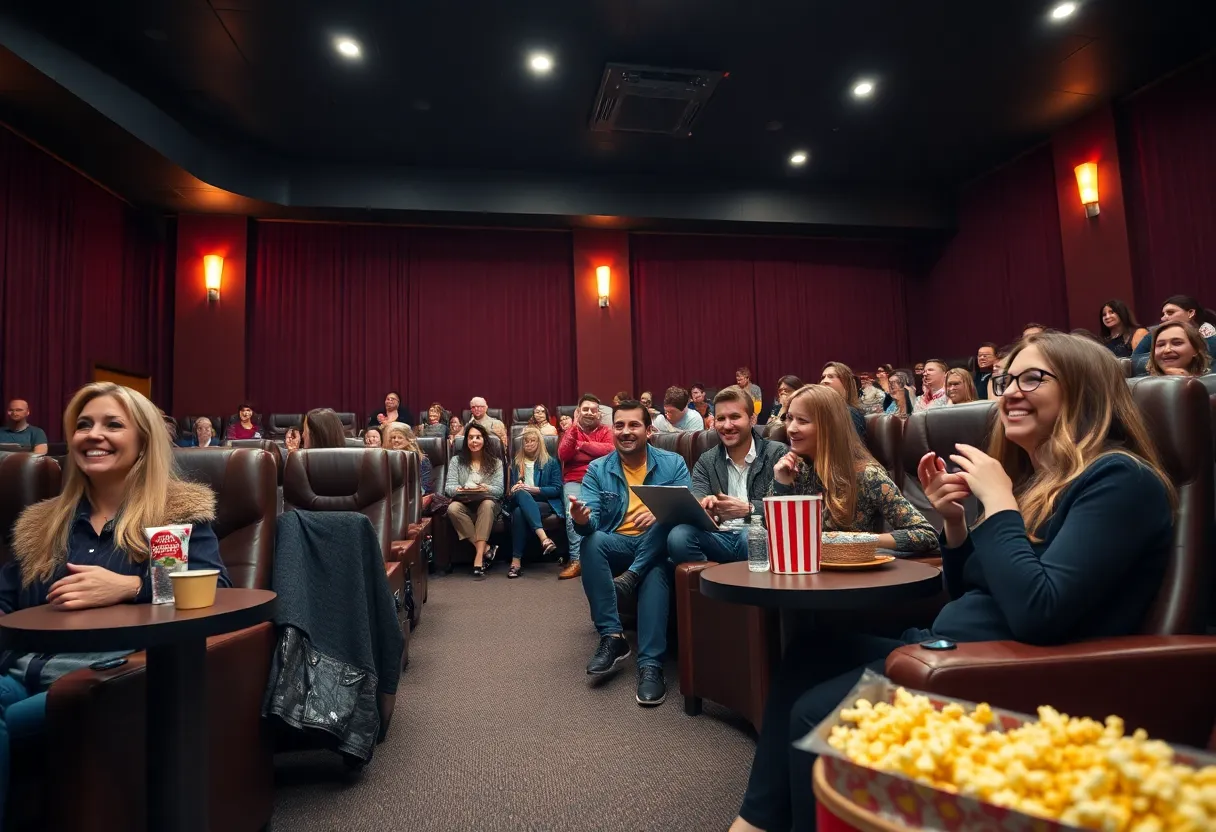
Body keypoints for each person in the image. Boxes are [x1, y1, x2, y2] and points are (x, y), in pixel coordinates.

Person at [731, 332, 1174, 831]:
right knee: (809, 652)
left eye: (1033, 378)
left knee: (816, 712)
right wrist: (958, 525)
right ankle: (754, 824)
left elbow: (1039, 611)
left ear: (1085, 390)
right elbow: (978, 593)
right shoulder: (1034, 484)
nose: (1009, 392)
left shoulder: (1120, 480)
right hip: (953, 648)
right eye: (1007, 380)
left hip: (1013, 676)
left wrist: (1000, 504)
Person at [0, 383, 232, 821]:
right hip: (18, 671)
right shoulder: (42, 523)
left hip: (108, 678)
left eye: (113, 424)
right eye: (83, 424)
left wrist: (129, 587)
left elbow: (213, 590)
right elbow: (7, 596)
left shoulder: (171, 514)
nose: (94, 434)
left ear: (143, 441)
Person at [569, 400, 690, 707]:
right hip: (620, 544)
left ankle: (651, 665)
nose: (626, 432)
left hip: (659, 547)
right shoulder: (598, 469)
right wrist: (582, 520)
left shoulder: (673, 463)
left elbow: (689, 511)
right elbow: (592, 521)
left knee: (656, 571)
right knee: (592, 542)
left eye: (634, 425)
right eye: (619, 425)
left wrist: (662, 513)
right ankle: (612, 637)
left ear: (649, 431)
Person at [668, 386, 789, 565]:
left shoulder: (776, 454)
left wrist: (750, 509)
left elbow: (788, 506)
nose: (727, 425)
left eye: (734, 417)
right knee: (678, 536)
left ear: (752, 419)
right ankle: (712, 580)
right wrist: (704, 506)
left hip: (759, 534)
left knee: (750, 536)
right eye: (721, 419)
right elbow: (698, 498)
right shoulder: (706, 460)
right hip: (719, 537)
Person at [556, 395, 614, 579]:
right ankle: (577, 560)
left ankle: (602, 557)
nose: (589, 412)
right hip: (576, 480)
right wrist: (574, 427)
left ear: (599, 413)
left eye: (593, 409)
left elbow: (610, 451)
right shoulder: (571, 431)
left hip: (601, 479)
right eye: (585, 409)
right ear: (578, 412)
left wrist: (582, 446)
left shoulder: (606, 430)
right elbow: (564, 454)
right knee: (572, 512)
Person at [444, 422, 504, 578]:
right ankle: (486, 549)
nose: (474, 441)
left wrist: (485, 488)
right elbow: (449, 487)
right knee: (452, 508)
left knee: (487, 503)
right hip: (465, 502)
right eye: (471, 438)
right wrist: (461, 489)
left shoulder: (496, 463)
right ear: (466, 441)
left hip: (488, 504)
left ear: (484, 440)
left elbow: (499, 491)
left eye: (478, 437)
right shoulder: (456, 461)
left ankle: (478, 558)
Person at [506, 426, 563, 578]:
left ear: (540, 443)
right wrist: (515, 488)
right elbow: (511, 491)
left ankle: (515, 562)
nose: (529, 444)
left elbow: (556, 489)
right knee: (520, 497)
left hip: (543, 502)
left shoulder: (550, 462)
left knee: (519, 512)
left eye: (533, 441)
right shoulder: (516, 462)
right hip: (520, 499)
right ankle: (544, 539)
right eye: (526, 441)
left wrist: (533, 489)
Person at [1132, 294, 1216, 374]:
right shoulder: (1154, 334)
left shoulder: (1211, 337)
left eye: (1170, 313)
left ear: (1190, 313)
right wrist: (1163, 366)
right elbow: (1135, 360)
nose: (1163, 318)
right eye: (1161, 345)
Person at [1146, 321, 1212, 377]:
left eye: (1177, 343)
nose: (1167, 350)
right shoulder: (1140, 386)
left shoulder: (1211, 384)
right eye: (1161, 345)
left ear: (1196, 349)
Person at [383, 421, 433, 496]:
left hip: (414, 497)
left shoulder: (422, 461)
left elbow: (425, 489)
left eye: (400, 437)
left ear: (409, 439)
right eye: (393, 437)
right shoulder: (387, 458)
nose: (396, 440)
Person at [820, 362, 866, 440]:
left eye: (831, 376)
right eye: (823, 377)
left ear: (846, 383)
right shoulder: (820, 412)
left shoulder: (849, 413)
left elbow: (850, 450)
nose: (824, 381)